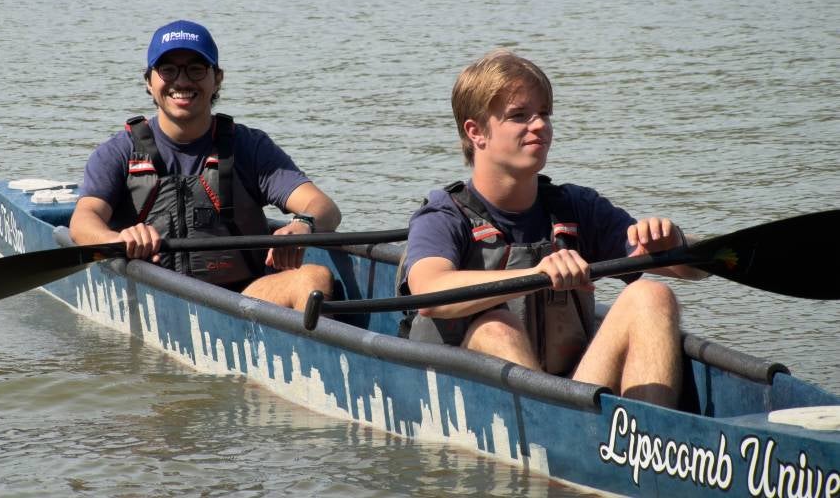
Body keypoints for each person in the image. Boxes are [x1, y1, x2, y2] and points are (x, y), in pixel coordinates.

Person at [398, 49, 707, 408]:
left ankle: (649, 438)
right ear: (476, 131)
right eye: (519, 116)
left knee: (652, 295)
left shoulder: (575, 207)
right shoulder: (442, 216)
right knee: (496, 327)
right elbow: (429, 292)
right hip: (463, 396)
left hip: (570, 393)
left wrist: (673, 244)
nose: (540, 125)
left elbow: (696, 269)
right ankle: (554, 429)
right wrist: (538, 273)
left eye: (544, 113)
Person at [70, 20, 341, 311]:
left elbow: (324, 207)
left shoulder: (249, 146)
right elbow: (82, 222)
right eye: (168, 70)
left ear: (217, 79)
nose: (182, 81)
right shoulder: (119, 151)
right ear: (149, 81)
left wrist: (304, 225)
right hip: (152, 295)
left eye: (196, 69)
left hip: (242, 302)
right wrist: (118, 239)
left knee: (314, 277)